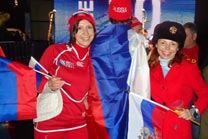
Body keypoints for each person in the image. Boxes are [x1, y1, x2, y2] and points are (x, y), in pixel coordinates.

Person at [87, 0, 150, 138]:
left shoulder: (94, 40)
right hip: (125, 105)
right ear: (130, 17)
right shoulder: (136, 41)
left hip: (99, 105)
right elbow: (142, 81)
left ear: (109, 15)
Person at [33, 9, 96, 139]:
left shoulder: (96, 58)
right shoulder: (56, 51)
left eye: (89, 27)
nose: (85, 33)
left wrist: (90, 102)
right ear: (73, 32)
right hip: (51, 121)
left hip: (79, 123)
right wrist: (48, 85)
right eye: (80, 28)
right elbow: (34, 77)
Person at [148, 21, 208, 139]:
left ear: (178, 47)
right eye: (163, 43)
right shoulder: (148, 66)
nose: (167, 48)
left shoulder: (188, 68)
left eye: (172, 44)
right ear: (156, 44)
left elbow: (205, 94)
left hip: (178, 128)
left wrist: (193, 112)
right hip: (154, 126)